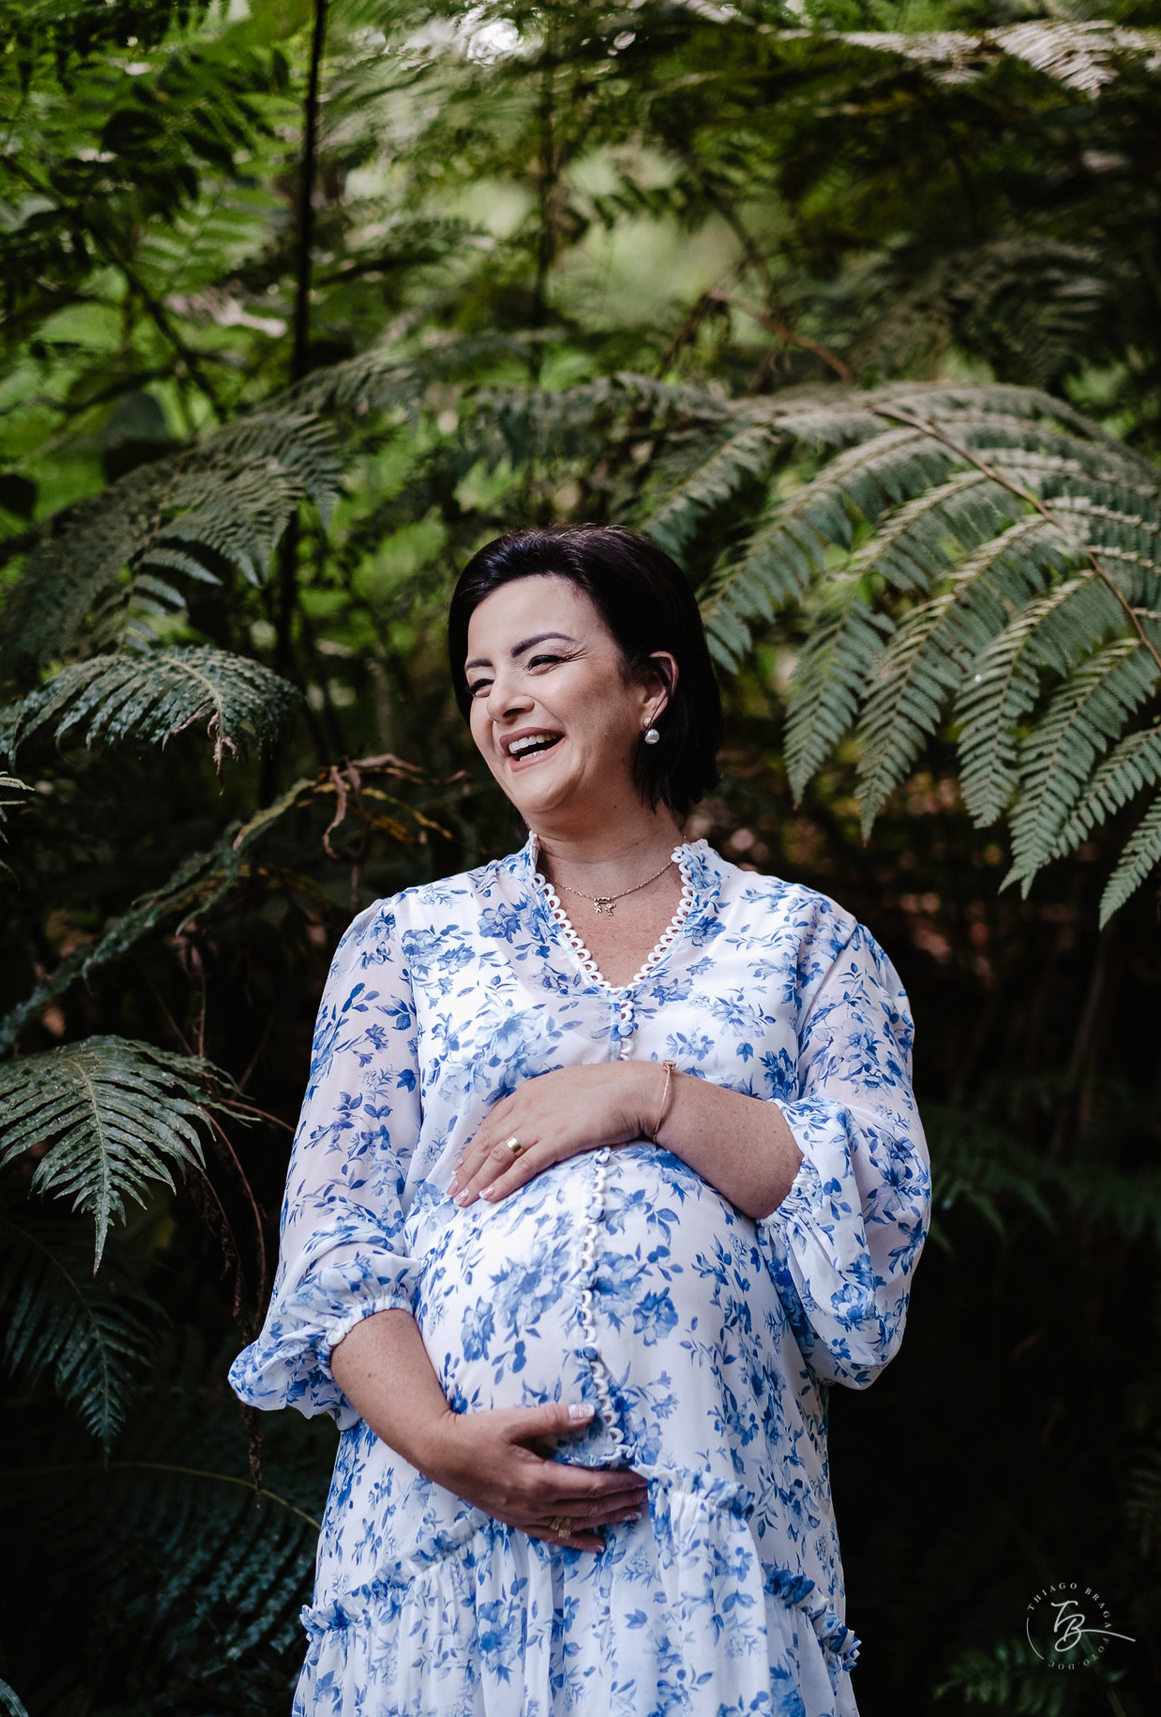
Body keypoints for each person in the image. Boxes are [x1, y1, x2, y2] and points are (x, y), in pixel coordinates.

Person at [230, 525, 931, 1716]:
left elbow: (868, 1232)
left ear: (653, 684)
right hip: (441, 1549)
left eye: (540, 661)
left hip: (711, 1553)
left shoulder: (810, 945)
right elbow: (337, 1248)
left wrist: (648, 1096)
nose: (504, 702)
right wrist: (445, 1447)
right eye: (479, 681)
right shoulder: (404, 945)